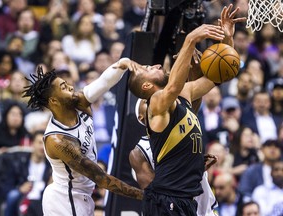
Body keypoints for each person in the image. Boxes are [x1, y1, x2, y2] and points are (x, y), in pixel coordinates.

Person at [128, 4, 245, 215]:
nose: (154, 65)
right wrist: (190, 39)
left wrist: (226, 39)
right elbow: (172, 87)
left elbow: (217, 75)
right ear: (145, 86)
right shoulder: (155, 104)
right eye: (147, 69)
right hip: (166, 199)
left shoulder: (184, 94)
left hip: (186, 198)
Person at [23, 57, 143, 215]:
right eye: (64, 87)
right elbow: (100, 178)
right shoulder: (58, 140)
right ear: (53, 101)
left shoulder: (79, 103)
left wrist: (121, 64)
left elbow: (102, 84)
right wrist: (144, 195)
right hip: (65, 198)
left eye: (67, 84)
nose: (71, 88)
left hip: (82, 195)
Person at [130, 98, 218, 216]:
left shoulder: (185, 123)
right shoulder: (139, 152)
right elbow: (156, 194)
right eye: (147, 102)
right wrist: (192, 169)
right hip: (173, 209)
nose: (154, 101)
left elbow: (193, 96)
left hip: (203, 207)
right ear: (141, 117)